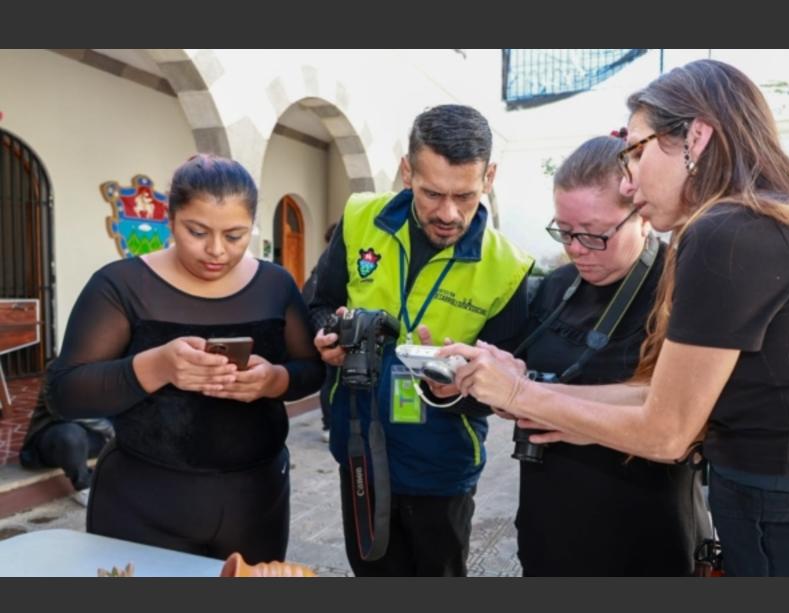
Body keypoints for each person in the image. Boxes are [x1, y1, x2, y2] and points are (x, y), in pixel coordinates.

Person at [442, 60, 789, 576]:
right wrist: (540, 393)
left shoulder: (726, 232)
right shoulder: (760, 218)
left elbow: (665, 431)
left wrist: (518, 394)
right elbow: (661, 393)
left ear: (695, 137)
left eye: (636, 151)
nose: (627, 181)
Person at [47, 154, 323, 563]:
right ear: (171, 218)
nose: (215, 251)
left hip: (255, 500)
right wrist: (156, 367)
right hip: (141, 501)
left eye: (235, 235)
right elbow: (64, 393)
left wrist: (274, 380)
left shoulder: (275, 284)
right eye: (197, 232)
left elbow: (311, 370)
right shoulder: (120, 285)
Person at [309, 104, 533, 576]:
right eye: (432, 193)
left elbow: (507, 390)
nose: (448, 214)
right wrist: (328, 333)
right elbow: (319, 302)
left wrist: (461, 390)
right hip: (359, 446)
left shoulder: (508, 268)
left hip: (441, 467)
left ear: (489, 177)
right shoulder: (359, 218)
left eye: (465, 195)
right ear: (407, 171)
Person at [511, 135, 706, 576]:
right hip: (549, 529)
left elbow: (689, 420)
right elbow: (525, 379)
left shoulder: (682, 287)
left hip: (643, 538)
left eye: (595, 235)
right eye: (565, 231)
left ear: (642, 214)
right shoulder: (557, 287)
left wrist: (543, 399)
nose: (577, 248)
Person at [19, 359, 114, 507]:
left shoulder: (113, 365)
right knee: (71, 435)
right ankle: (85, 487)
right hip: (52, 439)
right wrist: (110, 429)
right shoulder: (57, 368)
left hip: (92, 438)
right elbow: (63, 410)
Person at [303, 221, 338, 438]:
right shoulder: (323, 271)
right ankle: (328, 424)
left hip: (329, 335)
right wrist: (325, 330)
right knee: (329, 380)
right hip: (325, 336)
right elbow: (312, 303)